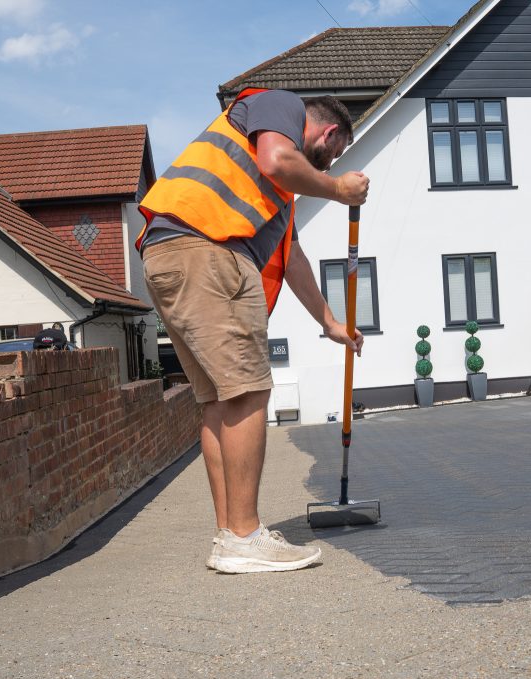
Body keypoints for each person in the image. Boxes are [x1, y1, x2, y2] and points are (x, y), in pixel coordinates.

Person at [136, 88, 369, 574]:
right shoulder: (280, 106)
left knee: (220, 401)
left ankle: (230, 534)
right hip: (208, 250)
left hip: (174, 255)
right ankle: (245, 537)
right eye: (336, 152)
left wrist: (330, 323)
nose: (331, 164)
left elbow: (293, 259)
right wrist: (338, 190)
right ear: (328, 132)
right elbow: (279, 159)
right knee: (248, 392)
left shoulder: (275, 197)